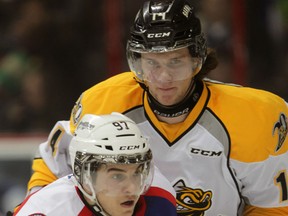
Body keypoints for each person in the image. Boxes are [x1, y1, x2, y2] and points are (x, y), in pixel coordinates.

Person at [20, 0, 288, 215]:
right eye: (151, 63)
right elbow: (54, 165)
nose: (163, 78)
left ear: (198, 58)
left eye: (175, 62)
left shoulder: (255, 117)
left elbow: (274, 208)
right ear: (136, 61)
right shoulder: (103, 102)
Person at [13, 113, 177, 215]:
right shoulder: (49, 210)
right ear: (85, 177)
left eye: (136, 173)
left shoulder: (160, 198)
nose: (132, 189)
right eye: (117, 176)